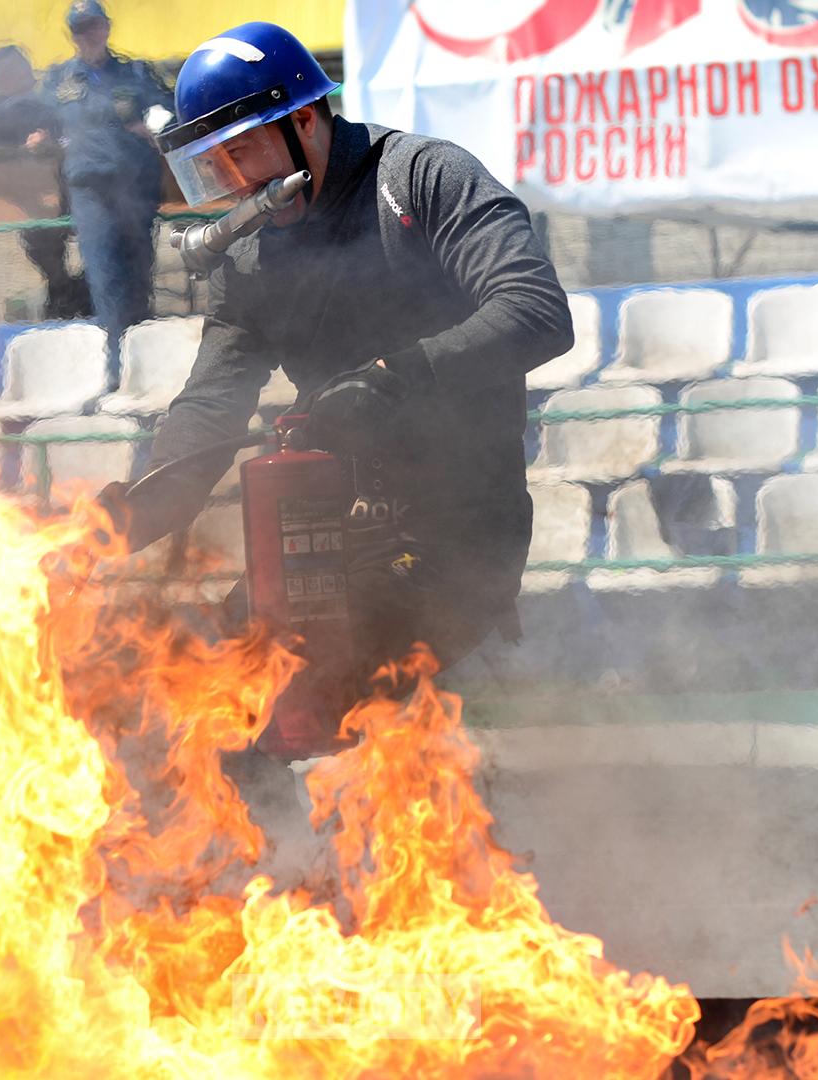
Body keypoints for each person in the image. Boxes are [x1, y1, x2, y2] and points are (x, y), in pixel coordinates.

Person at [103, 22, 573, 749]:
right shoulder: (250, 257)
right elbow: (211, 403)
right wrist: (122, 521)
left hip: (459, 535)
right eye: (214, 165)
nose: (235, 183)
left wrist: (393, 380)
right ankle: (272, 861)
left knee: (317, 688)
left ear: (302, 119)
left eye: (243, 150)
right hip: (331, 533)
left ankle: (427, 846)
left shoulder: (422, 178)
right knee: (212, 698)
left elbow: (538, 311)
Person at [25, 0, 173, 377]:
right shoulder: (59, 80)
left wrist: (154, 123)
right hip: (90, 191)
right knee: (104, 277)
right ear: (72, 36)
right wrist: (4, 121)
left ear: (106, 27)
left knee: (138, 276)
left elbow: (171, 105)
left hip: (135, 187)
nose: (87, 34)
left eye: (92, 26)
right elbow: (30, 111)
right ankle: (115, 371)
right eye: (79, 29)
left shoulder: (136, 73)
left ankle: (144, 369)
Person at [0, 44, 88, 320]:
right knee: (41, 239)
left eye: (15, 70)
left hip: (71, 186)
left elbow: (55, 123)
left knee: (89, 232)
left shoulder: (44, 99)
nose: (9, 77)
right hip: (27, 197)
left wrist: (48, 141)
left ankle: (75, 291)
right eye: (3, 72)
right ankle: (65, 290)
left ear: (27, 73)